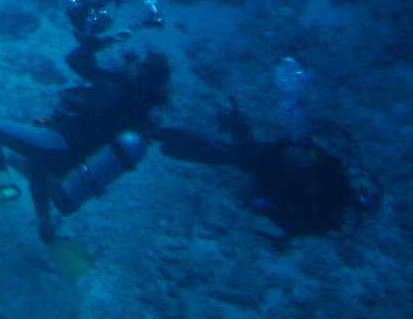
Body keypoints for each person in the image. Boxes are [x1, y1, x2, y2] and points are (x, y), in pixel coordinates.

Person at [0, 0, 168, 272]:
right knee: (37, 163)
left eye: (136, 63)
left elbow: (76, 61)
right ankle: (47, 230)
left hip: (59, 143)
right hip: (69, 160)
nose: (129, 62)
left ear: (140, 73)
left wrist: (109, 37)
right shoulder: (135, 110)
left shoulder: (115, 86)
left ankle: (4, 184)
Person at [155, 97, 377, 240]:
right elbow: (295, 226)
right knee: (233, 154)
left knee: (235, 154)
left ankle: (227, 119)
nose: (360, 179)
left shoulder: (333, 183)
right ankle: (227, 120)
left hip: (272, 169)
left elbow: (298, 156)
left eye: (364, 186)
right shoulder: (332, 205)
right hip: (272, 179)